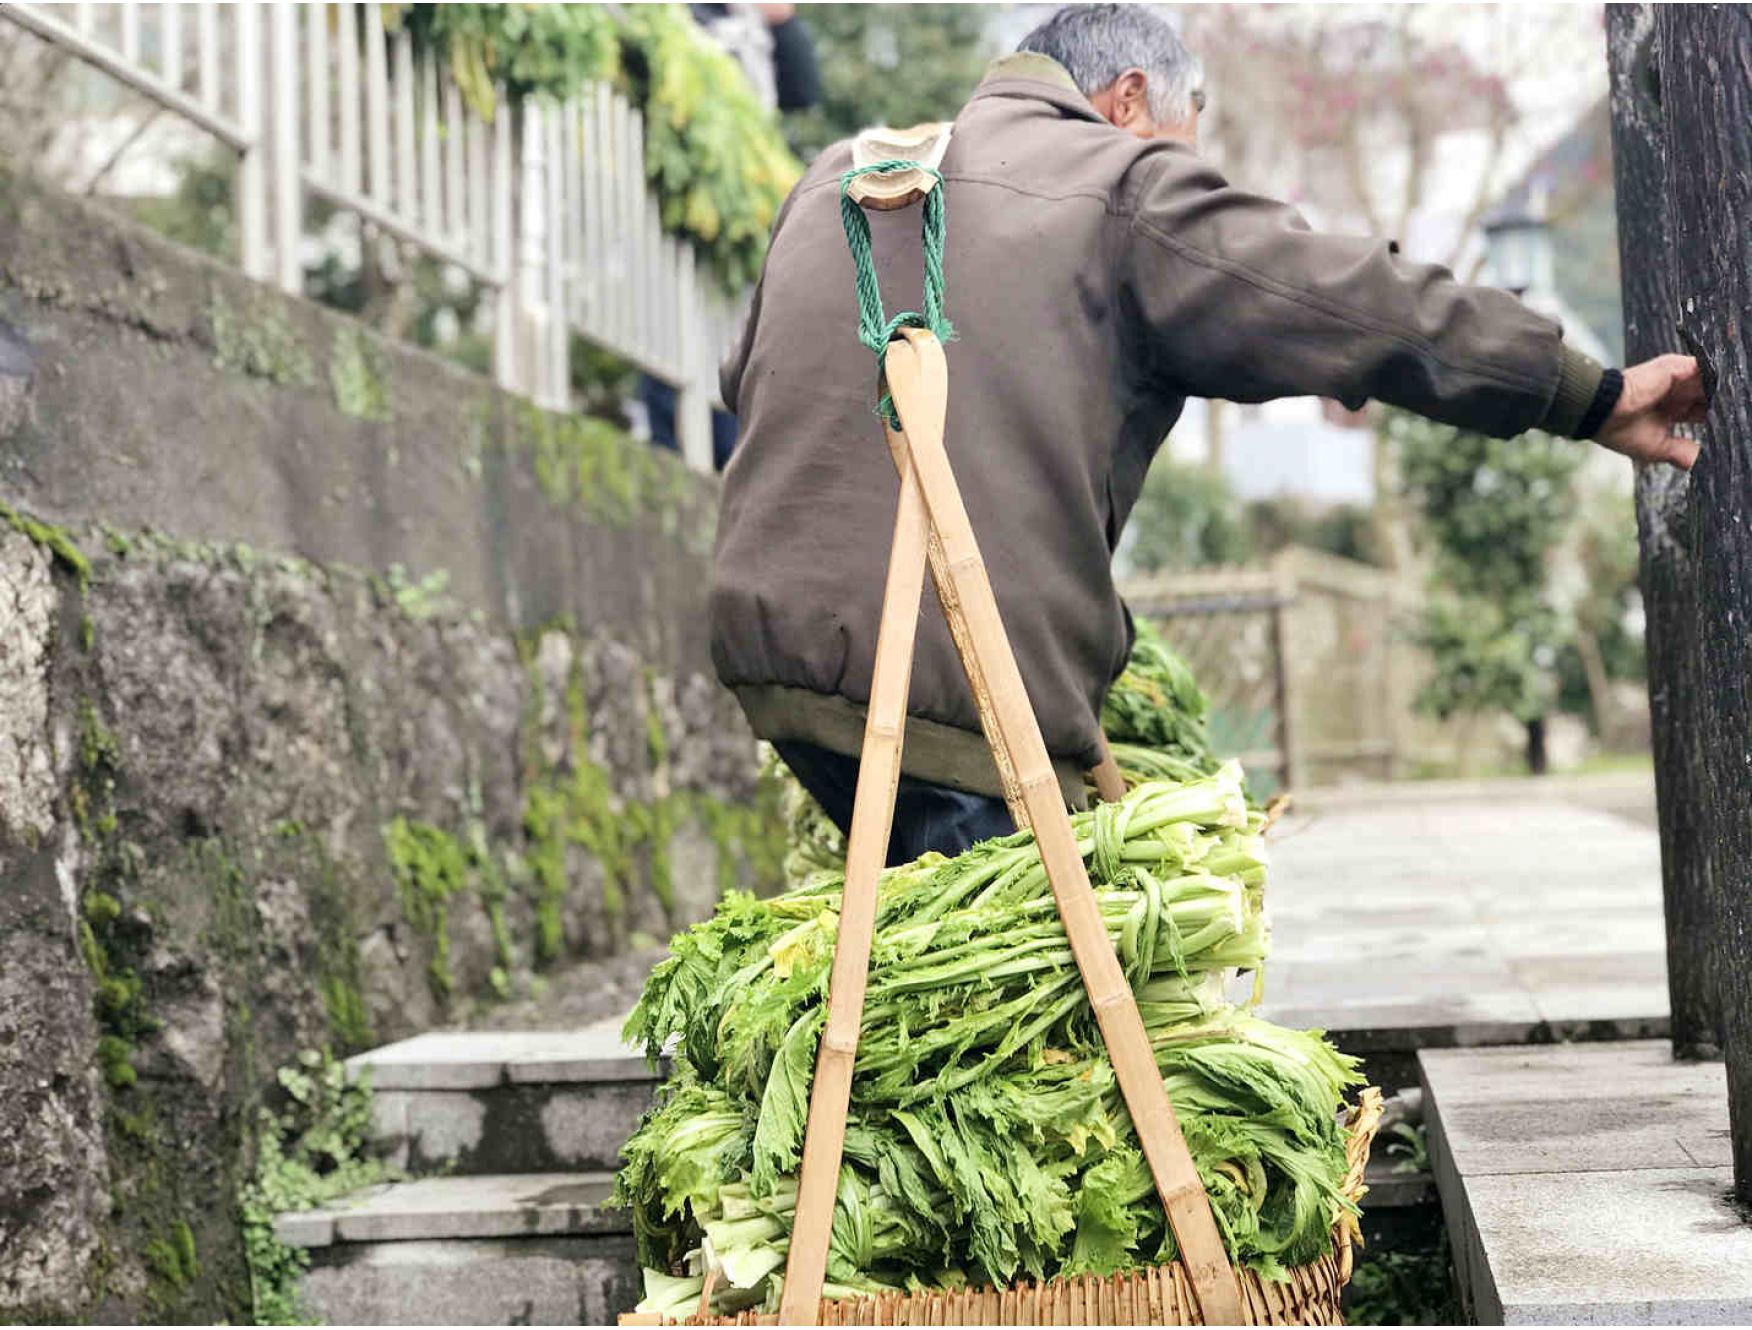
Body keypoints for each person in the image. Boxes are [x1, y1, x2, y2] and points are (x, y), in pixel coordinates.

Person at [710, 3, 1707, 864]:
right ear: (1129, 101)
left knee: (935, 941)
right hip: (949, 684)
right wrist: (1589, 394)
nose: (1187, 171)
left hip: (769, 650)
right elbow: (1357, 305)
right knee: (1046, 1014)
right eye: (1184, 140)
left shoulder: (846, 171)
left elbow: (738, 376)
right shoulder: (1121, 184)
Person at [640, 4, 820, 471]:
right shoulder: (675, 15)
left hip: (742, 209)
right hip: (674, 200)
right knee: (667, 319)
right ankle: (676, 446)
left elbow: (803, 91)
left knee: (736, 332)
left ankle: (727, 453)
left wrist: (782, 22)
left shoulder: (753, 27)